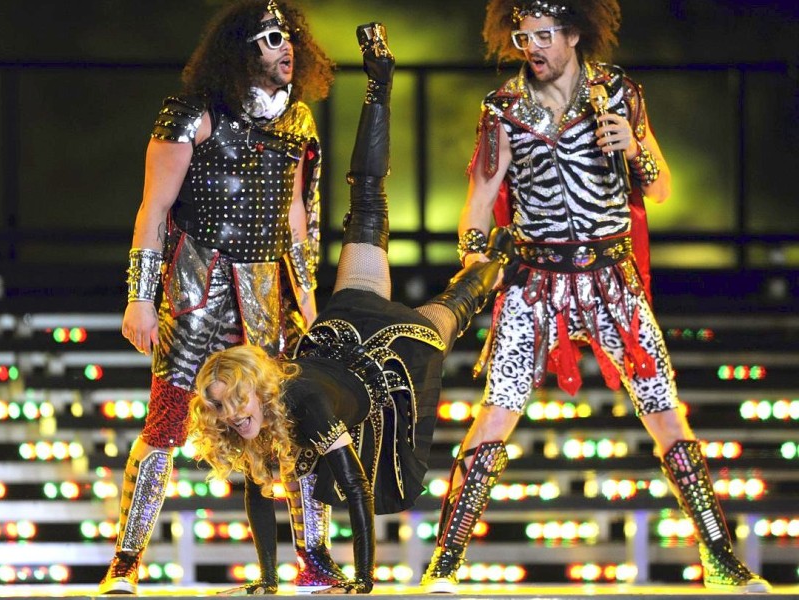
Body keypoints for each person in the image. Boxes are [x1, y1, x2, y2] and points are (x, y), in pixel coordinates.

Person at [420, 0, 770, 594]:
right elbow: (480, 198)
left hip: (612, 279)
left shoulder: (620, 94)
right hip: (536, 280)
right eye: (524, 36)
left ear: (575, 34)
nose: (533, 47)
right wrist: (474, 263)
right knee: (495, 413)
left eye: (545, 35)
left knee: (665, 409)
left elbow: (658, 190)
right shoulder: (502, 110)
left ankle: (719, 557)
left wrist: (635, 148)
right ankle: (444, 564)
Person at [188, 22, 513, 595]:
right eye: (222, 407)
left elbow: (358, 492)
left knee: (374, 210)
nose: (233, 415)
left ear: (258, 389)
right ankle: (490, 267)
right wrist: (265, 582)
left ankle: (380, 88)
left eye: (236, 401)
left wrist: (364, 584)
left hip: (382, 351)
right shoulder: (246, 422)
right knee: (447, 300)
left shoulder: (301, 402)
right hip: (347, 350)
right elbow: (259, 496)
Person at [99, 0, 340, 594]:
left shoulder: (299, 122)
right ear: (242, 48)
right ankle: (126, 562)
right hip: (196, 285)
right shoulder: (191, 113)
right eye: (271, 38)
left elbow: (298, 215)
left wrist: (308, 293)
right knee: (167, 421)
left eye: (290, 39)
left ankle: (316, 558)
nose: (286, 49)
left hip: (267, 290)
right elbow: (154, 208)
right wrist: (140, 297)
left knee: (290, 425)